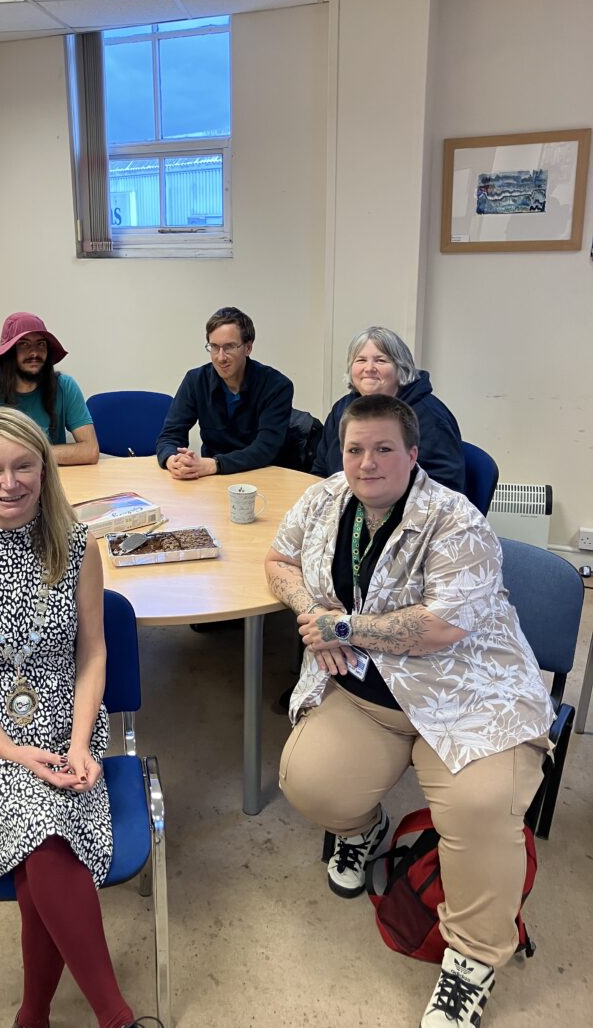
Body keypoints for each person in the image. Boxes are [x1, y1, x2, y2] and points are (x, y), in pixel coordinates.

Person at [265, 394, 553, 1028]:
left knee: (480, 812)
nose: (367, 464)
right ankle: (364, 831)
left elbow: (441, 627)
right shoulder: (323, 499)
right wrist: (309, 612)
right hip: (373, 700)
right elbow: (279, 560)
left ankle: (473, 960)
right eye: (354, 449)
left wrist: (342, 624)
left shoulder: (455, 521)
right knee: (308, 781)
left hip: (469, 696)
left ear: (413, 454)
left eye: (384, 448)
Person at [0, 407, 159, 1028]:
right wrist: (10, 750)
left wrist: (81, 743)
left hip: (62, 719)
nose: (9, 483)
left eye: (24, 466)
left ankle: (33, 1016)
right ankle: (115, 1017)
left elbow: (94, 653)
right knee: (45, 826)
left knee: (44, 833)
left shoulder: (79, 546)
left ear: (46, 472)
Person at [311, 325, 465, 493]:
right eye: (361, 360)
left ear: (401, 367)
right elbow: (321, 470)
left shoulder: (430, 417)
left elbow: (443, 487)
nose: (369, 368)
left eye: (380, 360)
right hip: (344, 507)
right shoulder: (342, 409)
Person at [156, 306, 294, 479]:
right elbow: (170, 434)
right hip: (212, 479)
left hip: (260, 475)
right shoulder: (195, 381)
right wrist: (172, 460)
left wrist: (214, 464)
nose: (221, 357)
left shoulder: (277, 386)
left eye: (229, 347)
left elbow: (266, 448)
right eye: (214, 347)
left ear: (248, 347)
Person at [0, 312, 99, 466]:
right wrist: (55, 453)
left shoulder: (64, 386)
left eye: (41, 344)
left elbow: (90, 451)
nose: (34, 352)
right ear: (8, 352)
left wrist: (27, 453)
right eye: (24, 344)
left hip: (57, 482)